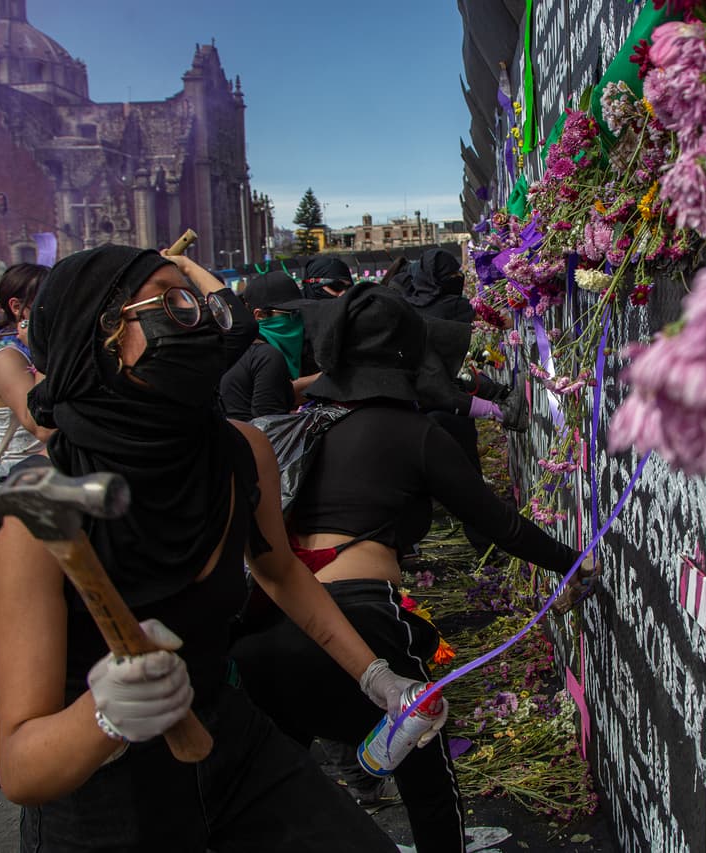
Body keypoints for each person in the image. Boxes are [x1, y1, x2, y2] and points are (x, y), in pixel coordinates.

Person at [0, 244, 428, 851]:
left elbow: (281, 573)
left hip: (232, 743)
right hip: (102, 802)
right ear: (105, 337)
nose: (200, 320)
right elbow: (21, 766)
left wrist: (377, 677)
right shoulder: (38, 512)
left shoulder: (241, 451)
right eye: (172, 305)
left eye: (198, 302)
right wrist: (105, 715)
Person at [230, 284, 596, 853]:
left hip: (270, 632)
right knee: (428, 785)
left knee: (258, 798)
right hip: (363, 623)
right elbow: (500, 524)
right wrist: (574, 564)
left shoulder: (306, 421)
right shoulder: (414, 434)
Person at [0, 264, 52, 496]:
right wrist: (42, 353)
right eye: (46, 301)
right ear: (17, 307)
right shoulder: (8, 359)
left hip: (48, 473)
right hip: (19, 482)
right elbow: (42, 427)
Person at [218, 271, 300, 421]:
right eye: (291, 314)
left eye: (300, 313)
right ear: (259, 315)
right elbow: (270, 425)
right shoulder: (264, 356)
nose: (298, 320)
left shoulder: (231, 350)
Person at [393, 248, 474, 322]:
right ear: (436, 278)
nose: (460, 276)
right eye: (453, 273)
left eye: (457, 272)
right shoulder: (456, 306)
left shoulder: (410, 307)